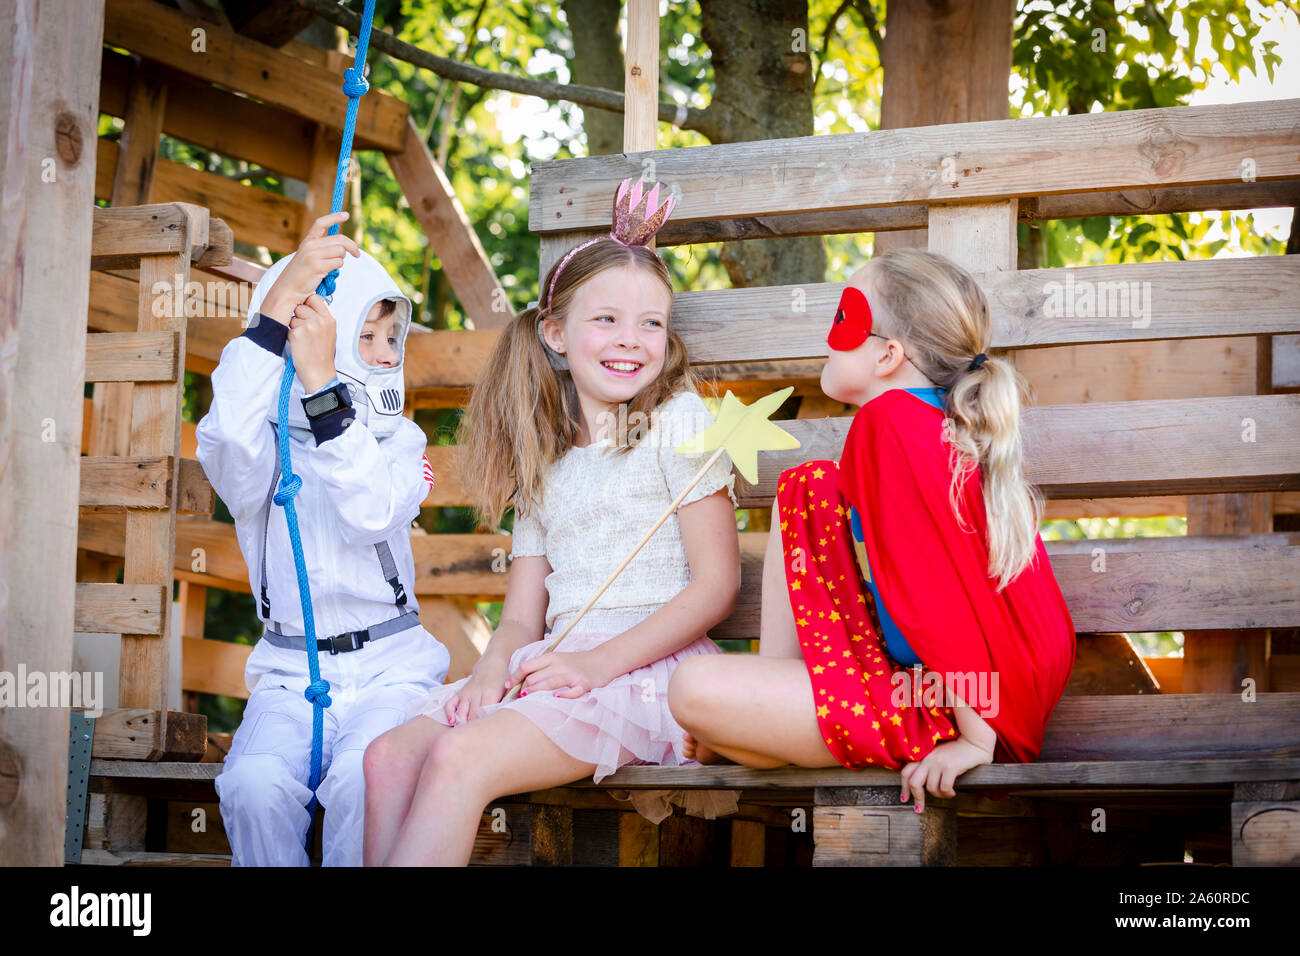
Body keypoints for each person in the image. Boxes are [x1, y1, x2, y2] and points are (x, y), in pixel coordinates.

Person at [362, 179, 741, 866]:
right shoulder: (547, 459)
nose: (631, 341)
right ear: (556, 333)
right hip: (553, 668)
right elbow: (519, 619)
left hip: (642, 674)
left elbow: (715, 586)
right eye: (607, 321)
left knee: (460, 758)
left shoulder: (678, 423)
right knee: (387, 756)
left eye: (651, 323)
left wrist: (595, 663)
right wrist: (489, 673)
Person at [667, 249, 1077, 812]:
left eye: (844, 318)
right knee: (808, 485)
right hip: (946, 692)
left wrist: (977, 740)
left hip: (964, 709)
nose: (828, 334)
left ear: (889, 354)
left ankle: (747, 718)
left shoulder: (891, 424)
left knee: (692, 687)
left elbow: (939, 597)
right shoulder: (923, 424)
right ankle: (760, 712)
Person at [196, 211, 450, 866]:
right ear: (318, 344)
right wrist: (275, 313)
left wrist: (322, 385)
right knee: (252, 786)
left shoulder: (401, 442)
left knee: (364, 780)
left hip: (393, 670)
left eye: (394, 336)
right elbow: (224, 436)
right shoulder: (261, 455)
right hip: (288, 672)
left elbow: (368, 510)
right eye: (366, 337)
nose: (390, 355)